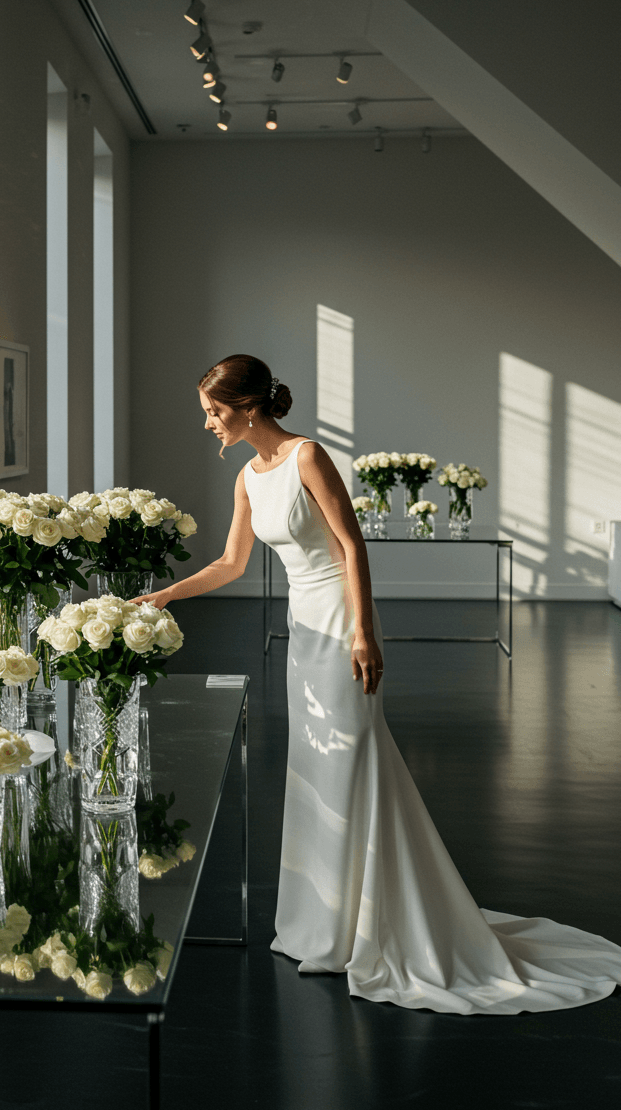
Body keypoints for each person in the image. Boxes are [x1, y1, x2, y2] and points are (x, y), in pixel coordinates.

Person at [133, 353, 621, 1014]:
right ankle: (322, 924)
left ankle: (371, 926)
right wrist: (167, 595)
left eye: (214, 411)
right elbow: (230, 562)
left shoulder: (308, 456)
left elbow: (351, 544)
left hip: (342, 619)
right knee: (318, 765)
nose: (209, 424)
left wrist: (363, 632)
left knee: (353, 757)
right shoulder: (250, 477)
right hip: (304, 630)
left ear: (250, 407)